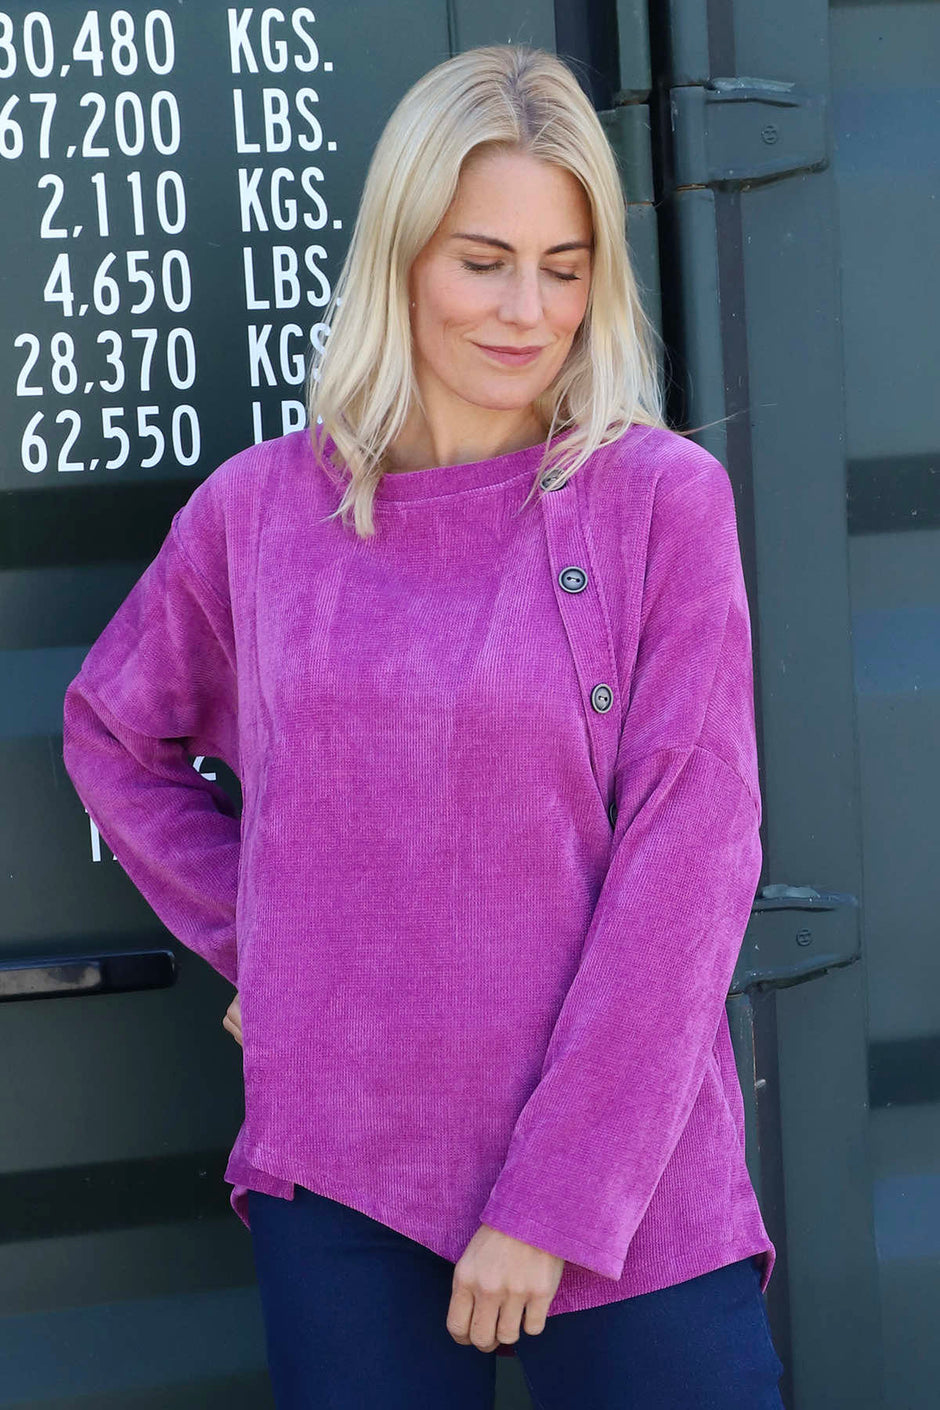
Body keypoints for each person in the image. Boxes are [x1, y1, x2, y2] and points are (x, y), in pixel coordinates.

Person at [62, 43, 786, 1410]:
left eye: (564, 266)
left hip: (623, 1168)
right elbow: (114, 732)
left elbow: (694, 854)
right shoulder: (260, 513)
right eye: (484, 261)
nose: (527, 310)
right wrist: (270, 946)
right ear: (401, 255)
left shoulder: (658, 501)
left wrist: (553, 1201)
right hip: (344, 1161)